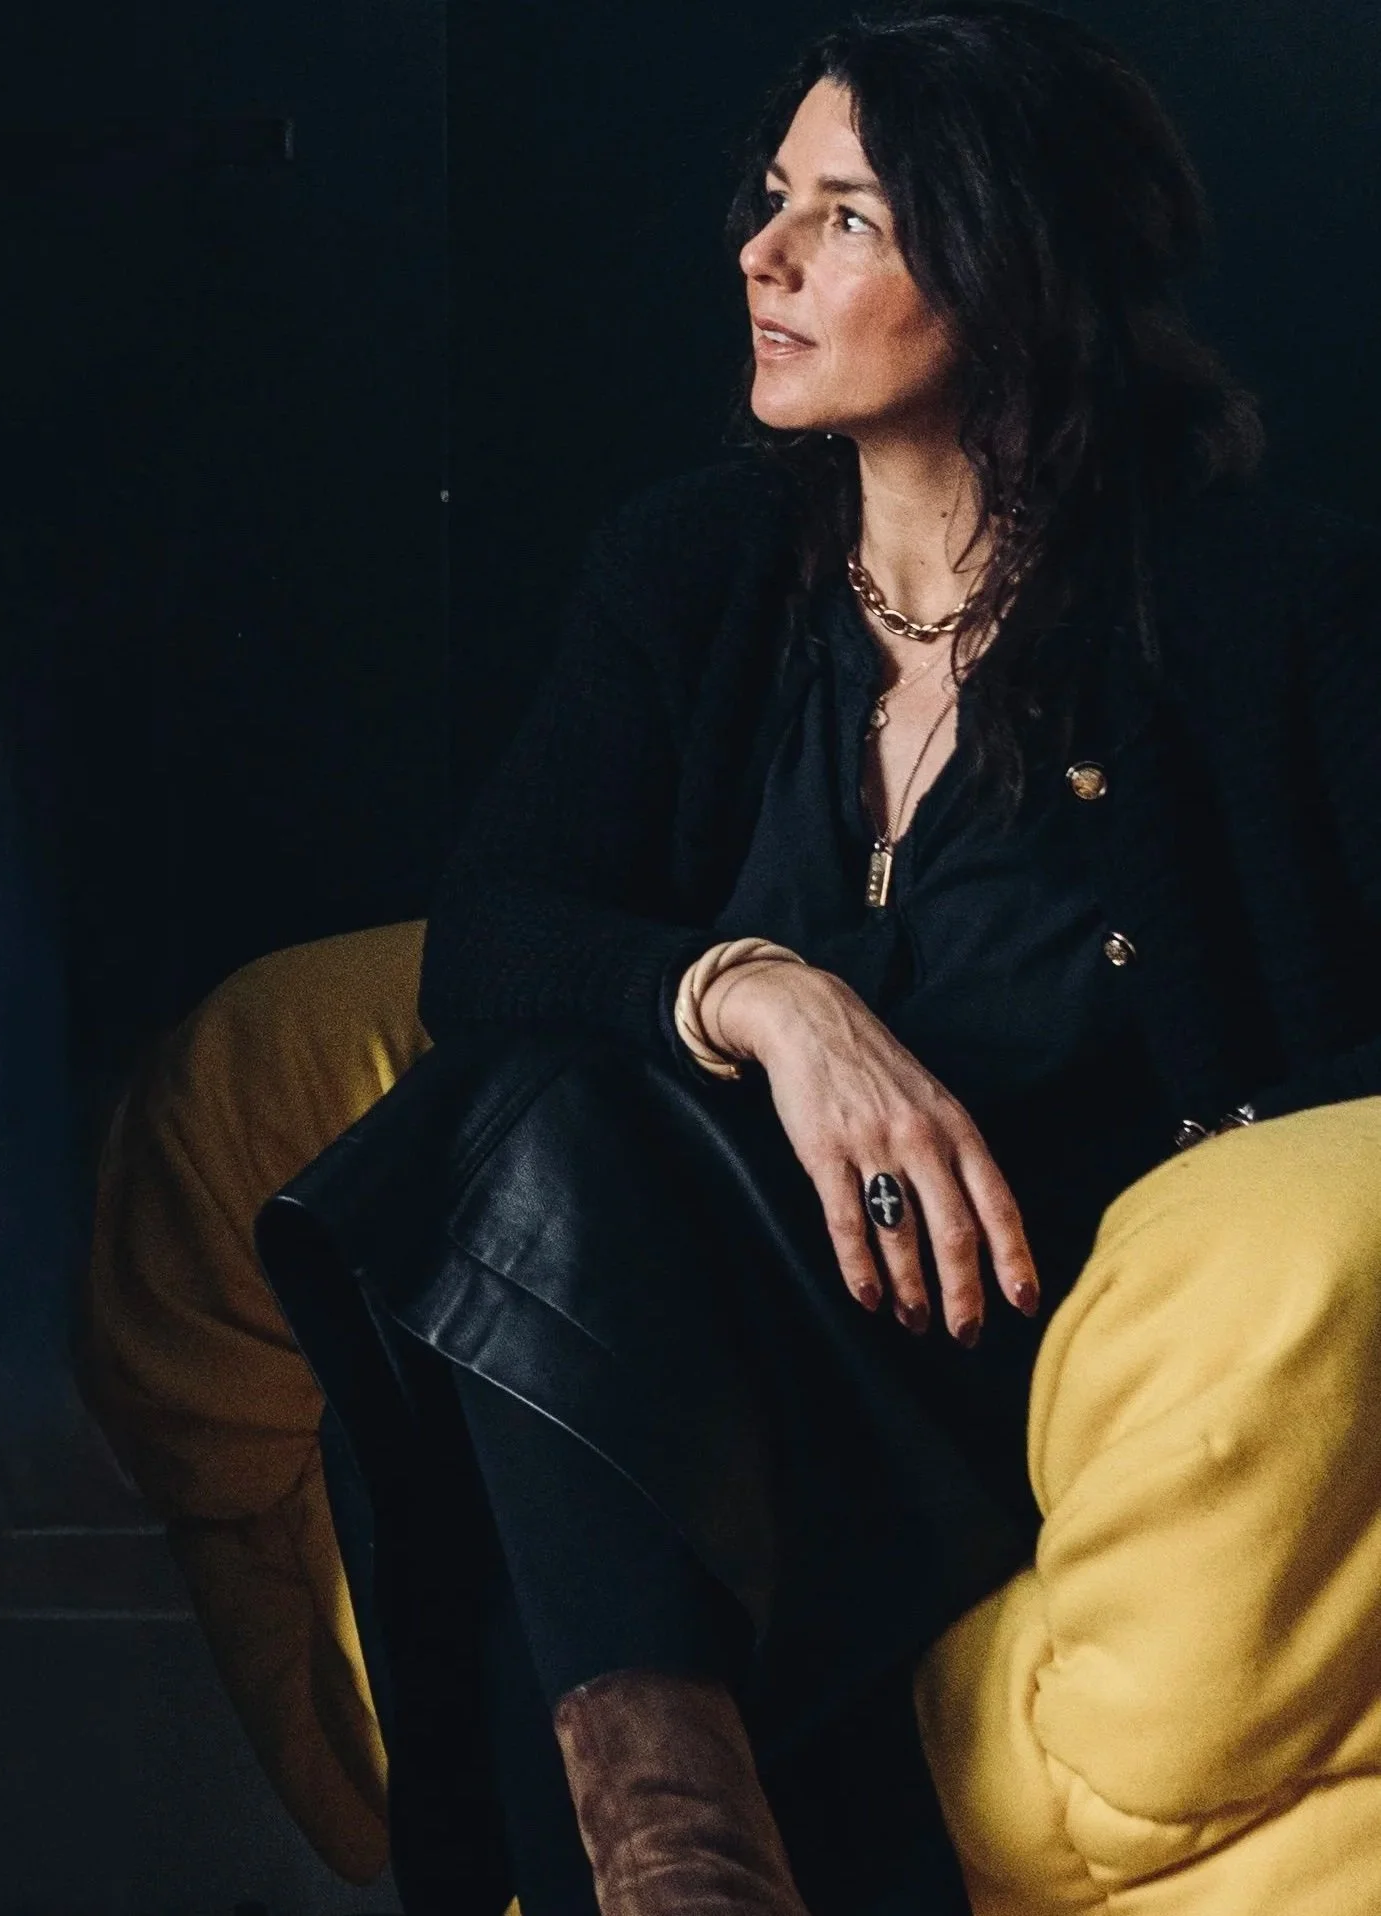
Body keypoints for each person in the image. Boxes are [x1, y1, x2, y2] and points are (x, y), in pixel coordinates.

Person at [254, 5, 1381, 1914]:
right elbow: (493, 932)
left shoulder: (1258, 605)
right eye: (771, 200)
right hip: (698, 1374)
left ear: (1010, 267)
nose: (761, 258)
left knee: (521, 1174)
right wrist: (768, 996)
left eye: (845, 217)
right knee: (539, 1121)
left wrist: (1217, 1190)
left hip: (1015, 1368)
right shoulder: (697, 571)